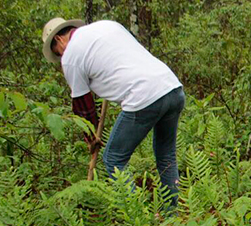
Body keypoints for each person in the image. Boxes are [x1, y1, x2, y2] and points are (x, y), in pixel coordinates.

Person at [41, 17, 185, 206]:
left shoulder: (71, 56)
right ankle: (171, 215)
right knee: (165, 153)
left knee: (113, 158)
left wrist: (90, 138)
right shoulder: (107, 26)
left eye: (57, 53)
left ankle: (137, 217)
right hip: (172, 87)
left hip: (143, 96)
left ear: (59, 40)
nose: (61, 57)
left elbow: (83, 106)